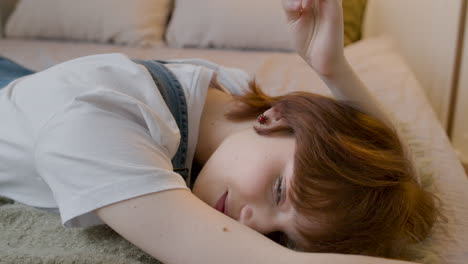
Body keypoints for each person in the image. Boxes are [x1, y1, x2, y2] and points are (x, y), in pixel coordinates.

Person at [0, 0, 438, 263]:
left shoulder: (224, 98)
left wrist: (334, 69)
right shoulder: (97, 128)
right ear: (276, 118)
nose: (254, 225)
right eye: (281, 191)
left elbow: (402, 199)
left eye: (279, 238)